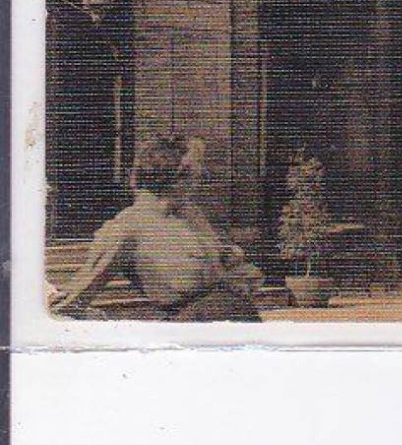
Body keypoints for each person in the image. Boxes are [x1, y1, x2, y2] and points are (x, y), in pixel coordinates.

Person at [51, 134, 263, 322]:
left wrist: (234, 265)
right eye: (195, 169)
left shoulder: (192, 214)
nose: (201, 175)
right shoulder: (128, 226)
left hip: (240, 316)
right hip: (194, 325)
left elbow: (230, 265)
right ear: (174, 175)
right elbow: (78, 294)